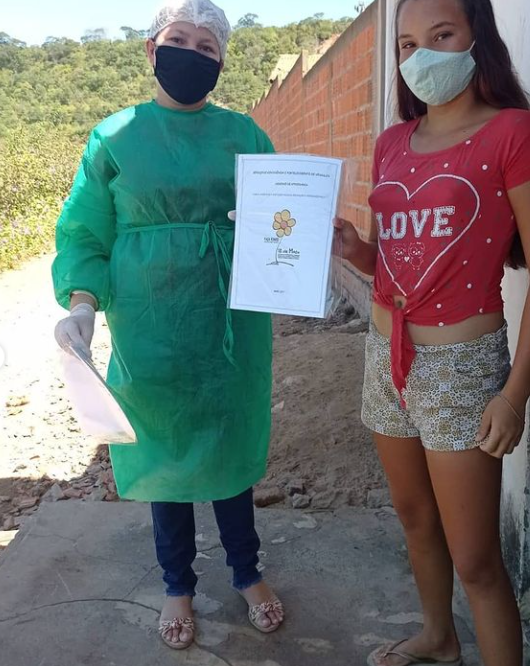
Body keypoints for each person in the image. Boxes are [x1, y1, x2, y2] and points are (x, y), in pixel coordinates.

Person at [335, 1, 530, 665]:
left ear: (476, 37)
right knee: (415, 519)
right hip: (386, 356)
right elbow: (394, 260)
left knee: (478, 559)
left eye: (442, 35)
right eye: (407, 44)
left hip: (462, 369)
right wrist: (355, 251)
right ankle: (439, 636)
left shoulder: (513, 134)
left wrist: (514, 394)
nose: (422, 56)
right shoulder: (392, 143)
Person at [52, 0, 284, 650]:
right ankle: (176, 584)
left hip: (230, 319)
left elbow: (281, 217)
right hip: (148, 321)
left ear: (222, 62)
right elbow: (85, 228)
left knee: (228, 445)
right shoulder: (115, 137)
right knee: (165, 451)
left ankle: (246, 572)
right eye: (179, 39)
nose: (193, 52)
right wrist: (81, 304)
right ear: (152, 49)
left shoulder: (244, 135)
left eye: (208, 47)